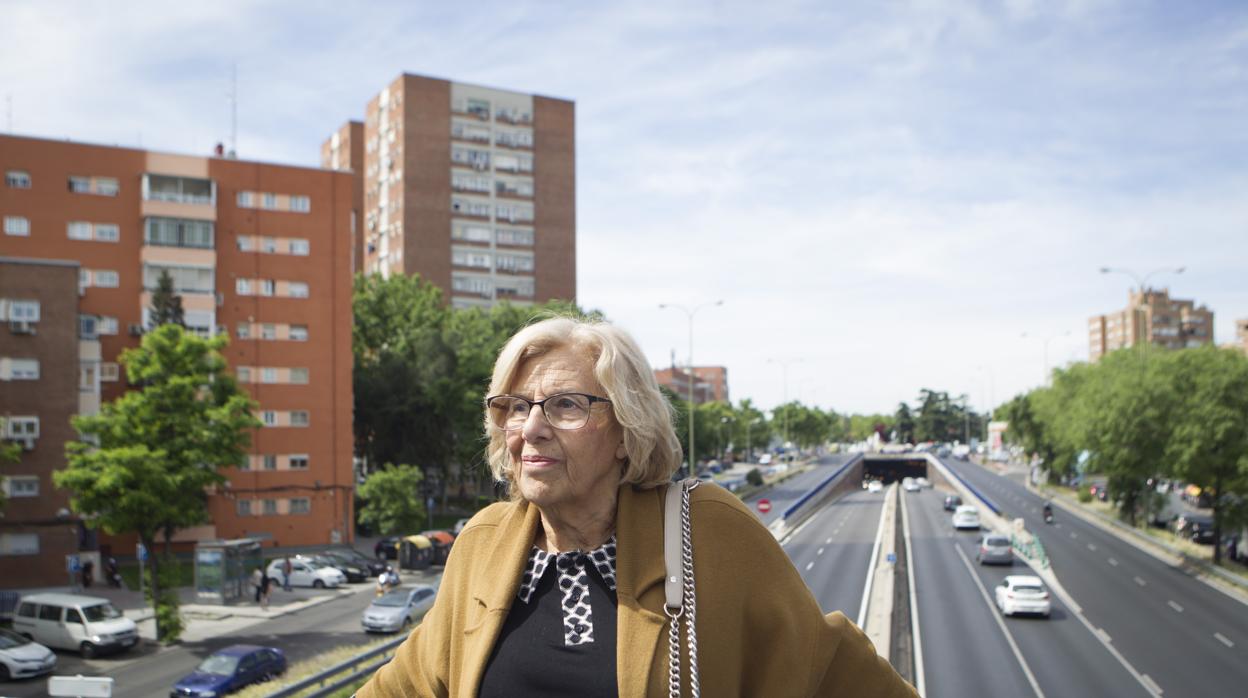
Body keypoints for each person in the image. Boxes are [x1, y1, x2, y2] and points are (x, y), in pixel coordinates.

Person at [356, 317, 916, 697]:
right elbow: (403, 686)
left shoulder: (709, 531)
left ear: (627, 430)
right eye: (515, 407)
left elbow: (832, 674)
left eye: (566, 406)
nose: (531, 429)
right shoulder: (484, 542)